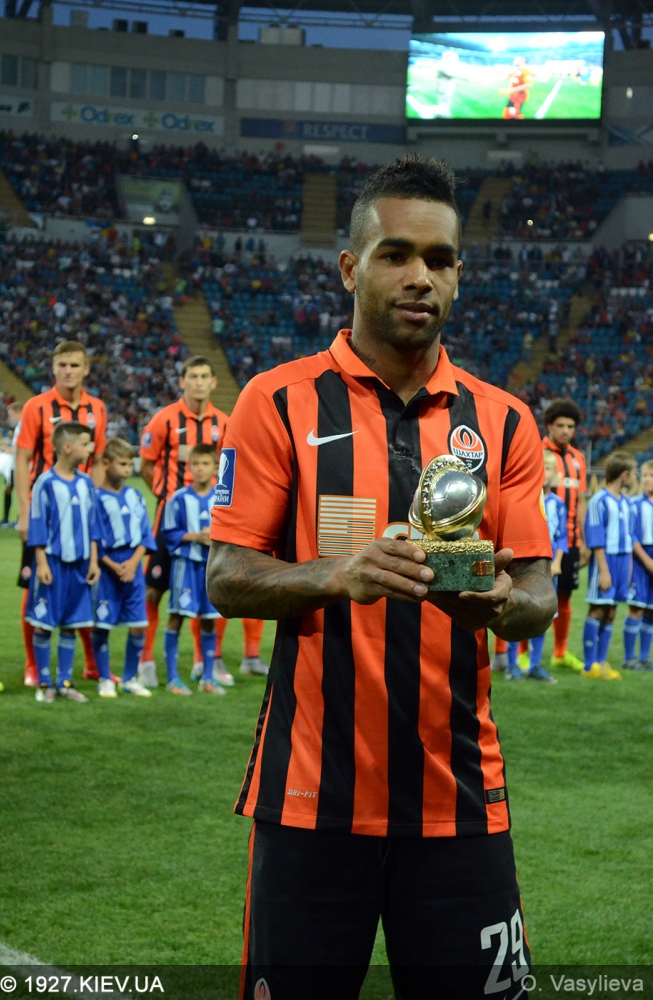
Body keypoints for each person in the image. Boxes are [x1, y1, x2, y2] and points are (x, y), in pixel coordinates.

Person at [206, 155, 556, 999]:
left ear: (459, 275)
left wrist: (501, 605)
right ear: (349, 268)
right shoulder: (276, 401)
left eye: (440, 259)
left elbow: (540, 594)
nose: (419, 276)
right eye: (396, 254)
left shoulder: (505, 420)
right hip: (309, 799)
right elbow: (227, 575)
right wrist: (338, 575)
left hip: (461, 799)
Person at [138, 355, 266, 689]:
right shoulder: (164, 419)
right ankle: (146, 659)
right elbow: (147, 463)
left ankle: (205, 661)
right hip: (171, 523)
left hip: (212, 524)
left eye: (204, 376)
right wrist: (166, 496)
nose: (198, 382)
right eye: (192, 376)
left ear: (213, 382)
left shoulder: (224, 422)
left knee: (211, 590)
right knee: (153, 590)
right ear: (182, 382)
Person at [15, 341, 107, 686]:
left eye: (74, 365)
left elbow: (98, 460)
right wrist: (25, 513)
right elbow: (22, 460)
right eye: (62, 365)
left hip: (81, 518)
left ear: (86, 369)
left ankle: (90, 664)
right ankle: (32, 665)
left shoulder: (97, 408)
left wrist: (93, 504)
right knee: (35, 585)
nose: (68, 371)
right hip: (46, 517)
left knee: (83, 586)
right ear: (53, 368)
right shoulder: (36, 406)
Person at [26, 421, 101, 703]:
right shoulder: (45, 483)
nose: (89, 448)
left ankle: (65, 683)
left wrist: (94, 561)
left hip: (80, 566)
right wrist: (41, 562)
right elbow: (37, 524)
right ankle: (44, 683)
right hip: (53, 564)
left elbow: (93, 524)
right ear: (67, 447)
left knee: (72, 623)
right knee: (44, 623)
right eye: (85, 443)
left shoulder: (86, 483)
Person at [91, 437, 157, 698]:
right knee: (102, 624)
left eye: (130, 464)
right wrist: (111, 564)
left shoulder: (135, 495)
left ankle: (129, 678)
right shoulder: (96, 498)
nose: (128, 469)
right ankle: (105, 678)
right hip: (107, 568)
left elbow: (146, 534)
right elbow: (94, 538)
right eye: (122, 464)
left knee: (139, 624)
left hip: (133, 564)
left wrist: (134, 562)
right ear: (106, 464)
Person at [161, 444, 225, 696]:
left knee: (209, 619)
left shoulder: (221, 497)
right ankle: (172, 678)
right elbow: (168, 533)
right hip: (185, 566)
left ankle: (208, 677)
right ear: (189, 467)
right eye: (196, 464)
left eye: (205, 464)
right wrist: (196, 537)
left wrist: (215, 537)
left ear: (215, 468)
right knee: (177, 616)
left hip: (211, 568)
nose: (200, 469)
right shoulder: (178, 499)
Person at [505, 449, 567, 683]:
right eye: (541, 468)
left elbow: (562, 537)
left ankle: (535, 665)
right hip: (523, 566)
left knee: (545, 614)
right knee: (515, 612)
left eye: (548, 468)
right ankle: (512, 665)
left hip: (549, 568)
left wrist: (557, 562)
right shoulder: (525, 500)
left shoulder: (558, 504)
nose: (544, 473)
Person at [541, 398, 588, 672]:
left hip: (568, 541)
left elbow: (580, 501)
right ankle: (518, 653)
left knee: (565, 596)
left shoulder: (578, 459)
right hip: (540, 540)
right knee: (528, 594)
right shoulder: (536, 451)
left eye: (570, 426)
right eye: (560, 425)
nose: (566, 431)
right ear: (550, 426)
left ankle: (560, 652)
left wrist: (583, 540)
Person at [582, 449, 637, 681]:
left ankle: (602, 661)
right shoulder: (599, 500)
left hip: (623, 561)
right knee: (598, 609)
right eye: (633, 472)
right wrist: (604, 570)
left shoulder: (627, 503)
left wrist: (629, 568)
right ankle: (589, 665)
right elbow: (595, 537)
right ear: (624, 475)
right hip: (605, 560)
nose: (634, 477)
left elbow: (630, 537)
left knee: (612, 611)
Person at [622, 458, 653, 671]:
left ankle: (644, 657)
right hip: (641, 560)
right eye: (645, 476)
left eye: (651, 476)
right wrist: (647, 560)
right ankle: (629, 657)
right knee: (636, 607)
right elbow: (631, 536)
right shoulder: (634, 504)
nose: (647, 480)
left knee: (651, 610)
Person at [0, 400, 23, 527]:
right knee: (8, 489)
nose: (10, 418)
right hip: (13, 464)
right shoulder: (18, 427)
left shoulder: (25, 426)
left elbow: (25, 447)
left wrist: (10, 450)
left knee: (20, 491)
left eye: (11, 415)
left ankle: (19, 519)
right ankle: (6, 519)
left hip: (20, 465)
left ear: (19, 412)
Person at [501, 55, 533, 120]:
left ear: (522, 61)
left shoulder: (526, 72)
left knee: (515, 115)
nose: (514, 61)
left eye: (516, 59)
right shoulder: (515, 71)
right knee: (508, 114)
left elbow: (528, 84)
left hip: (519, 98)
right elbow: (506, 76)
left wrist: (511, 90)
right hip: (512, 96)